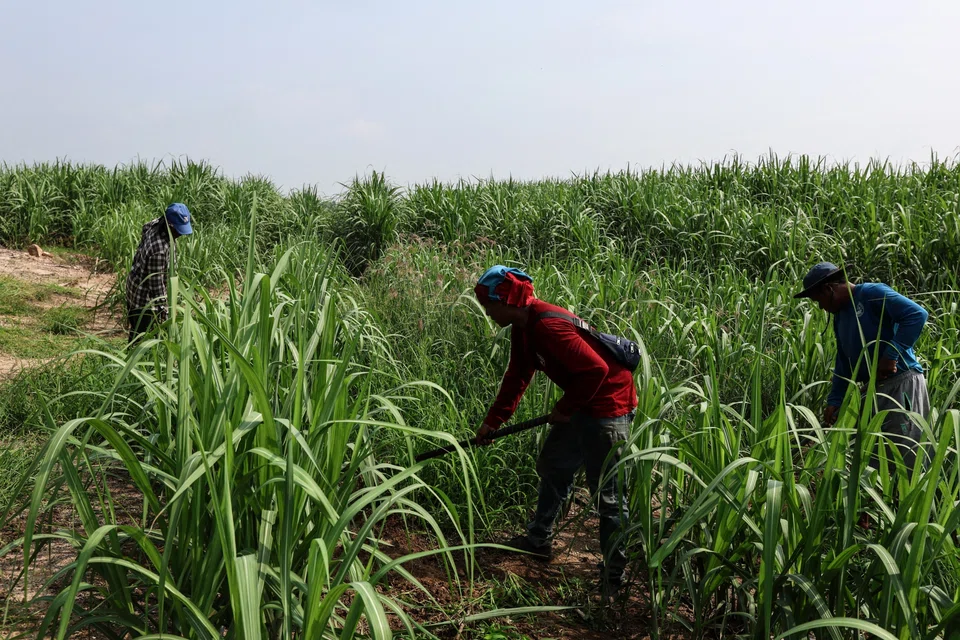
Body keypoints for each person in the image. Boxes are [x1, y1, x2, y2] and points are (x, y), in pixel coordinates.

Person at [473, 265, 638, 595]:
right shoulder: (524, 326)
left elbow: (597, 370)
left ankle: (615, 578)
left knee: (607, 495)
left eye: (489, 305)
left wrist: (564, 409)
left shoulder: (547, 326)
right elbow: (518, 376)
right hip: (581, 403)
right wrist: (493, 422)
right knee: (553, 465)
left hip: (608, 408)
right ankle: (538, 540)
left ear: (505, 301)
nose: (487, 312)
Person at [794, 261, 930, 471]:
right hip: (875, 388)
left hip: (901, 383)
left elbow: (916, 315)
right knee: (873, 456)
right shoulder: (840, 317)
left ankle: (911, 502)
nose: (821, 307)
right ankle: (881, 503)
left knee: (905, 454)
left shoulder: (872, 293)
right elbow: (843, 360)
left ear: (828, 289)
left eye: (818, 300)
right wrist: (835, 400)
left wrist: (891, 355)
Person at [126, 203, 193, 343]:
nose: (180, 234)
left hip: (134, 284)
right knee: (142, 339)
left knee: (136, 332)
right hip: (144, 300)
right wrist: (166, 312)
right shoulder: (159, 250)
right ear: (170, 225)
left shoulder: (155, 224)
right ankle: (134, 362)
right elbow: (156, 289)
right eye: (179, 230)